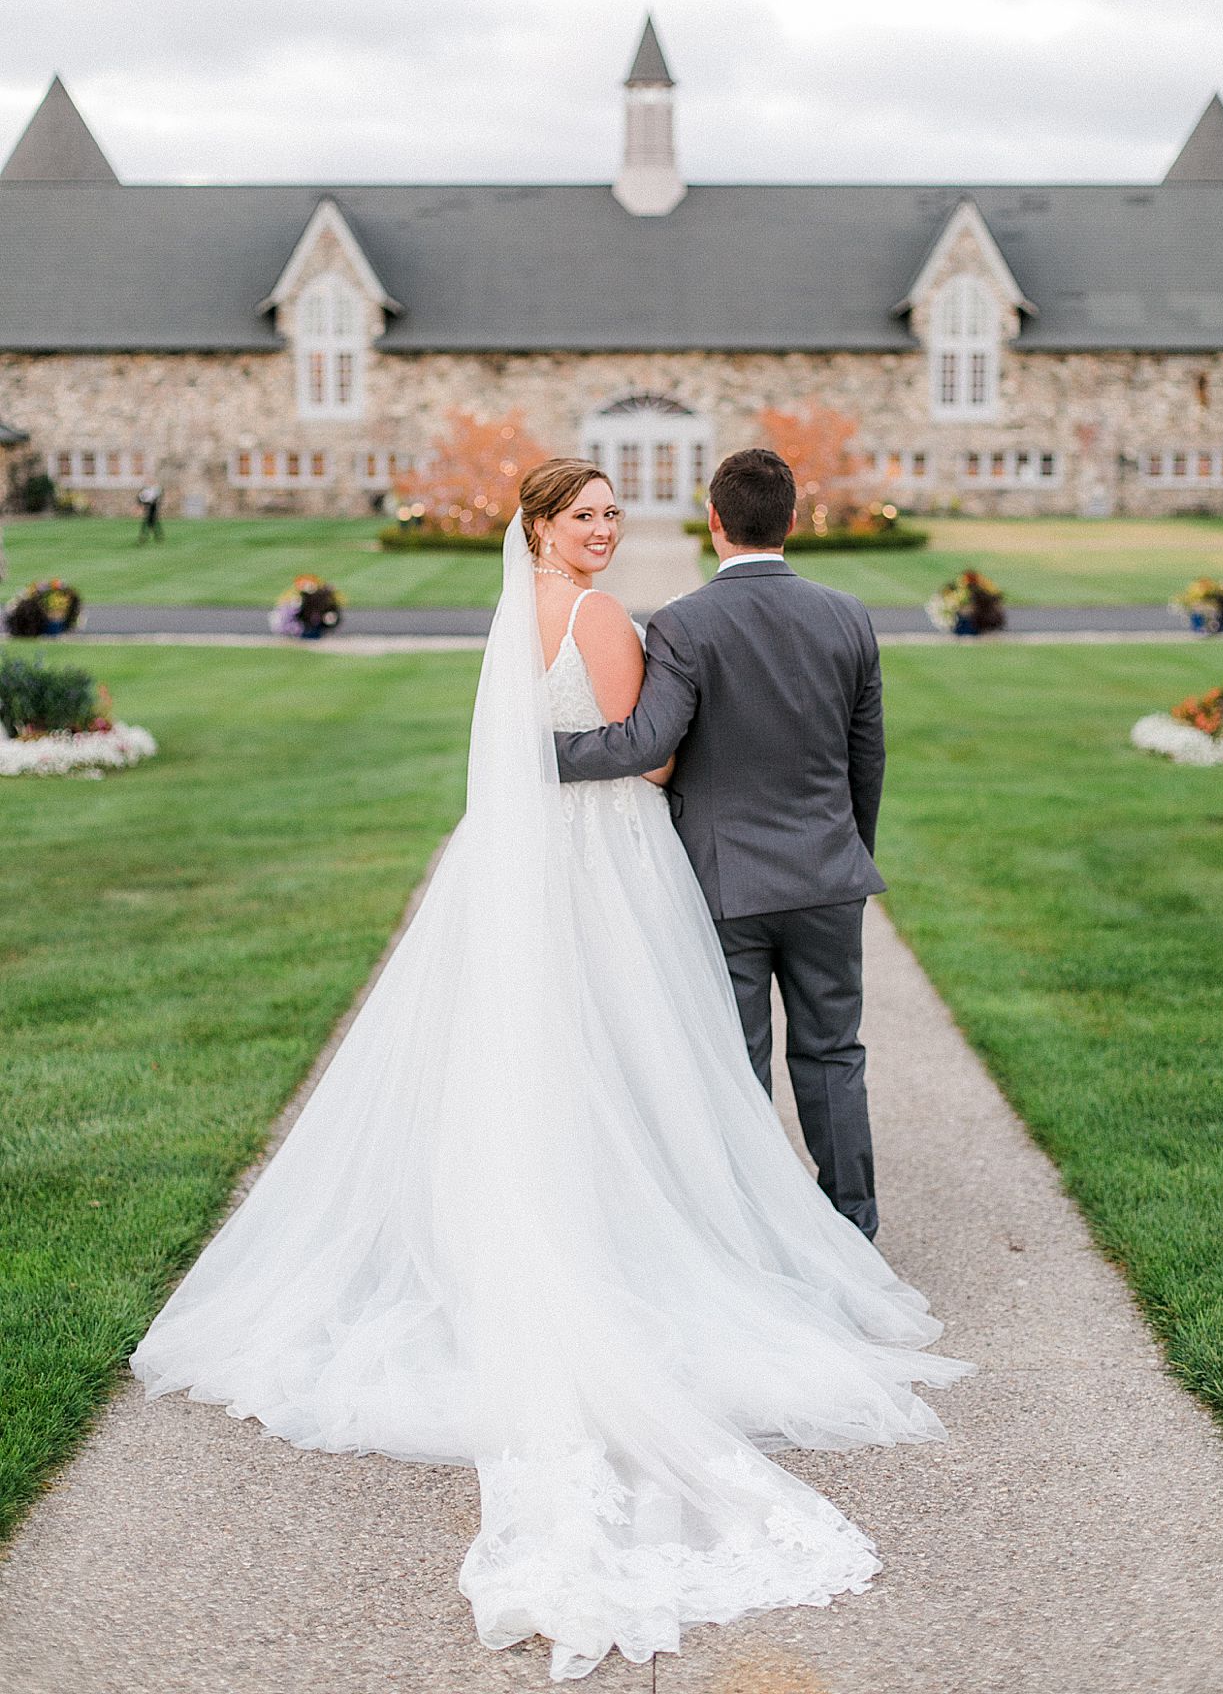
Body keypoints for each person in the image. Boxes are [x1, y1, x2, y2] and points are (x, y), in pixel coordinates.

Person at [131, 457, 971, 1682]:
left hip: (564, 859)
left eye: (611, 514)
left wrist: (530, 773)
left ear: (701, 519)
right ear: (540, 527)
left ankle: (703, 1219)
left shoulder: (579, 616)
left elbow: (595, 741)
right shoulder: (659, 617)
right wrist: (833, 834)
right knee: (701, 1058)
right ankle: (799, 1228)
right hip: (667, 861)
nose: (603, 529)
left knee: (632, 1054)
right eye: (584, 516)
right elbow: (658, 753)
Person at [556, 448, 886, 1238]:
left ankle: (753, 1233)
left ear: (713, 522)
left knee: (735, 1067)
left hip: (724, 885)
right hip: (829, 877)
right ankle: (856, 1227)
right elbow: (865, 758)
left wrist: (539, 753)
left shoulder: (684, 622)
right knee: (834, 1054)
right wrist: (847, 850)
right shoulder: (848, 615)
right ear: (794, 522)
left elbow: (644, 743)